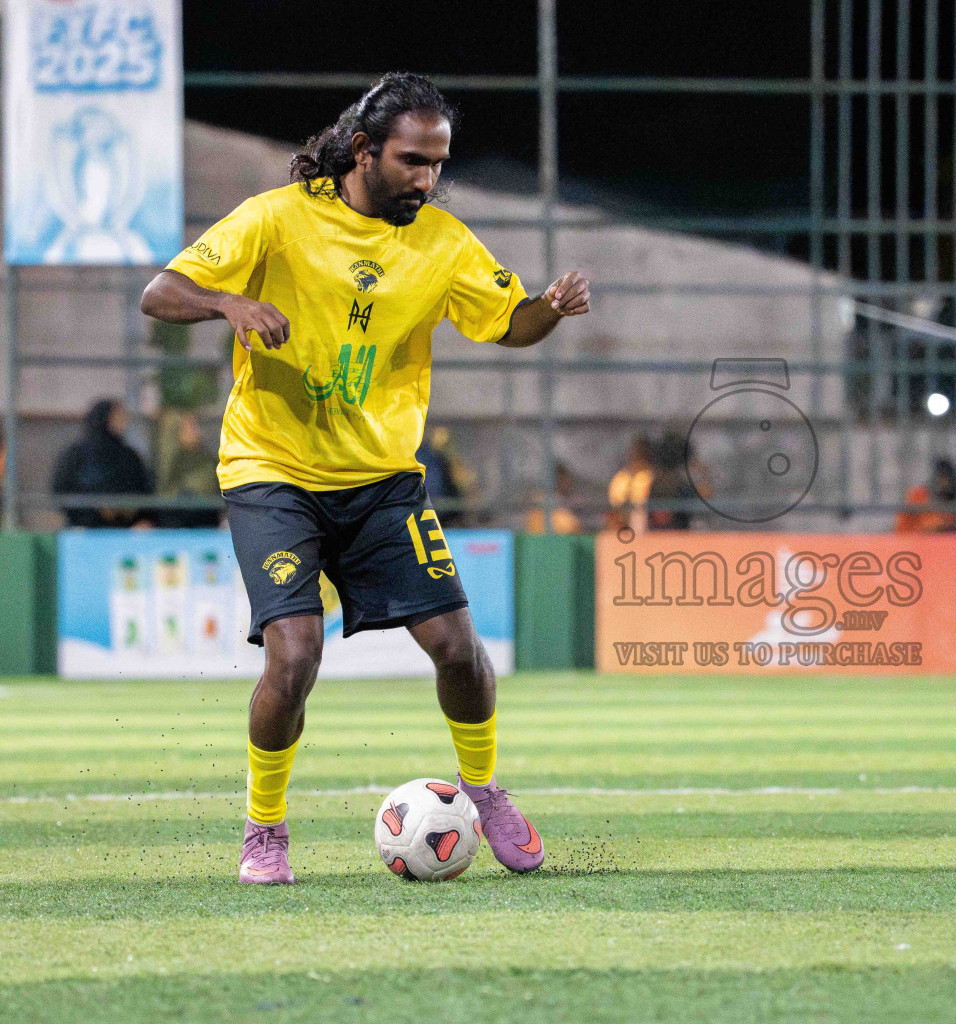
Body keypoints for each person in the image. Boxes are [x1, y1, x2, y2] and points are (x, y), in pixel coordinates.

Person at [139, 72, 591, 885]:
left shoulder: (444, 242)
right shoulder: (277, 219)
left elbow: (509, 323)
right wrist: (228, 305)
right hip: (272, 471)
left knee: (458, 649)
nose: (427, 178)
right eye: (413, 160)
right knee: (295, 655)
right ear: (363, 150)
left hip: (382, 478)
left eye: (438, 164)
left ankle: (484, 791)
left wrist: (549, 309)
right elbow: (159, 292)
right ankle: (265, 827)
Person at [51, 398, 155, 528]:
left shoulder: (129, 456)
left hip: (126, 531)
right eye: (118, 416)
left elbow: (144, 491)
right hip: (83, 529)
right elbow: (62, 491)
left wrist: (143, 518)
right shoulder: (76, 455)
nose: (124, 421)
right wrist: (93, 511)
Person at [158, 412, 222, 528]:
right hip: (174, 517)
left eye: (194, 426)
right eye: (186, 426)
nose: (192, 430)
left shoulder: (208, 460)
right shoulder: (171, 459)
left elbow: (214, 489)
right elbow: (166, 490)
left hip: (204, 519)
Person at [893, 457, 956, 533]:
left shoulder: (951, 501)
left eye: (947, 479)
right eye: (941, 478)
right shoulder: (918, 496)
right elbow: (901, 528)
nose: (944, 483)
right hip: (915, 538)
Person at [607, 434, 654, 534]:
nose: (636, 456)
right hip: (621, 516)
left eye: (640, 453)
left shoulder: (650, 475)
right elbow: (615, 502)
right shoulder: (621, 476)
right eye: (634, 453)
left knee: (638, 514)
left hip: (644, 516)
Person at [524, 461, 582, 534]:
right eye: (562, 478)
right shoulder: (541, 500)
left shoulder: (568, 500)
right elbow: (569, 526)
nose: (566, 483)